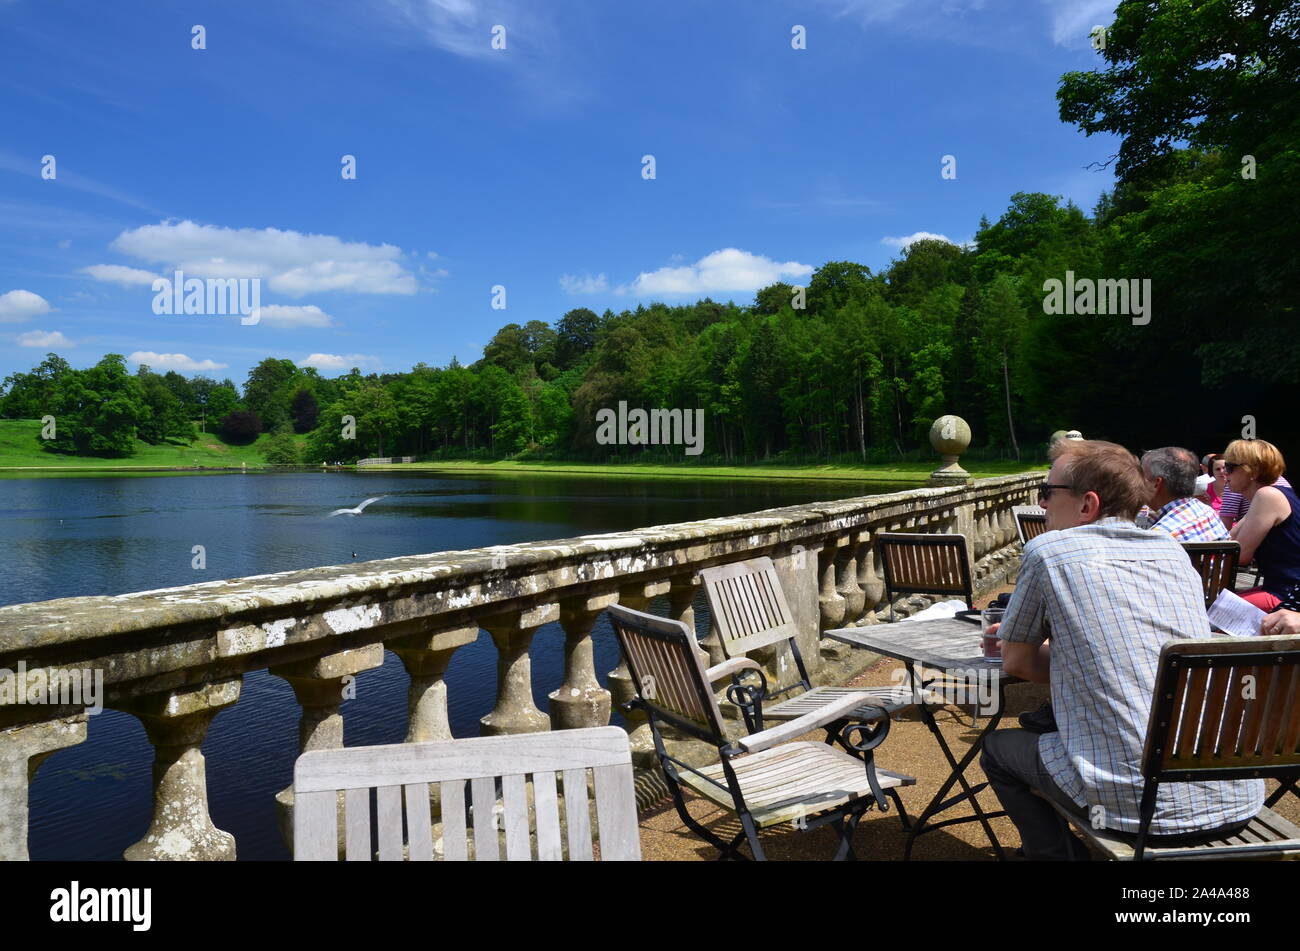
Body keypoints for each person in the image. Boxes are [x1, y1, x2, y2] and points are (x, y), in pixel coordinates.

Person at [981, 439, 1263, 860]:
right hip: (1236, 794)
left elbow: (1017, 662)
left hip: (1143, 808)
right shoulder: (1171, 551)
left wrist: (1044, 648)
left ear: (1087, 504)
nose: (1041, 504)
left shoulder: (1048, 551)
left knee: (999, 750)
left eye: (1047, 493)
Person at [1224, 439, 1300, 611]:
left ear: (1254, 472)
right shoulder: (1275, 494)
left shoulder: (1268, 496)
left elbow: (1239, 554)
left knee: (1214, 613)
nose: (1224, 474)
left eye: (1230, 468)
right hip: (1282, 588)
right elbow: (1231, 539)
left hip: (1288, 594)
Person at [1140, 447, 1231, 542]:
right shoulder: (1209, 513)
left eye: (1142, 476)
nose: (1137, 482)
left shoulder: (1159, 537)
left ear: (1157, 483)